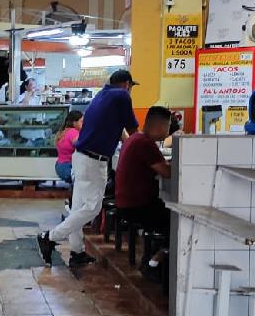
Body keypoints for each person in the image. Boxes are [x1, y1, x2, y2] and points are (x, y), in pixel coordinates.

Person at [37, 69, 139, 268]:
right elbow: (133, 130)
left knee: (78, 208)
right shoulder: (122, 96)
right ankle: (49, 236)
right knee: (92, 208)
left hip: (81, 157)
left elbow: (120, 131)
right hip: (94, 161)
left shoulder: (103, 94)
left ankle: (77, 252)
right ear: (127, 84)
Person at [117, 107, 174, 272]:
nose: (168, 131)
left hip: (127, 201)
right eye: (168, 126)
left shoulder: (135, 138)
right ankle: (155, 261)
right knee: (177, 221)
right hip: (136, 204)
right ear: (160, 126)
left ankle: (152, 259)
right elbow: (167, 172)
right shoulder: (146, 144)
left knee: (166, 217)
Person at [54, 110, 83, 183]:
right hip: (68, 168)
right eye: (81, 121)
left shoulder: (64, 131)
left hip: (60, 166)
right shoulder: (73, 132)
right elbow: (81, 146)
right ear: (74, 123)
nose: (84, 124)